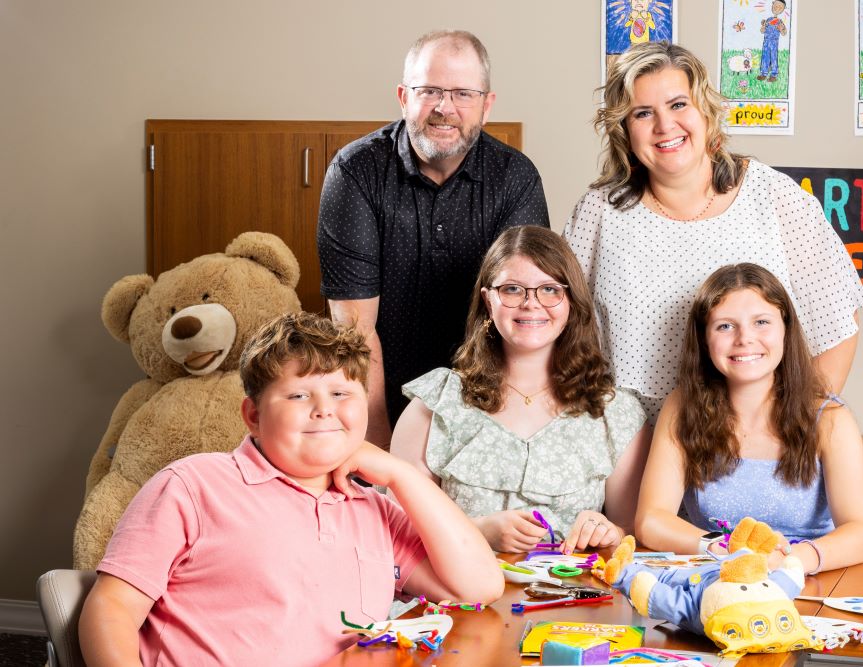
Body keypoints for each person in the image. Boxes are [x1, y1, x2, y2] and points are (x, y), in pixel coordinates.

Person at [79, 313, 503, 666]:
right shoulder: (192, 486)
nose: (324, 409)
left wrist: (401, 475)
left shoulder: (373, 508)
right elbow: (111, 610)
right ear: (253, 415)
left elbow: (480, 586)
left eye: (341, 392)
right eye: (298, 394)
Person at [564, 41, 863, 422]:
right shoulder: (599, 212)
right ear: (624, 131)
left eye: (678, 105)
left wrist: (786, 431)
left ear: (706, 112)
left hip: (752, 444)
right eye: (643, 113)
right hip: (630, 444)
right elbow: (559, 332)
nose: (664, 126)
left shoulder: (774, 196)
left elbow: (837, 326)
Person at [318, 30, 550, 451]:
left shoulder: (516, 178)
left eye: (463, 93)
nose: (445, 109)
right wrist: (379, 444)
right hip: (377, 398)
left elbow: (525, 319)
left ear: (487, 104)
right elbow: (355, 332)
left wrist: (501, 441)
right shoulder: (355, 172)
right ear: (404, 96)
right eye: (430, 92)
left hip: (489, 400)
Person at [390, 226, 650, 554]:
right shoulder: (433, 405)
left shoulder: (614, 412)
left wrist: (611, 533)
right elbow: (394, 532)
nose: (531, 304)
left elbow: (632, 535)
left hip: (579, 600)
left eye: (550, 290)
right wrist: (477, 531)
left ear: (570, 301)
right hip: (459, 601)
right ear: (488, 300)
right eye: (513, 289)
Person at [635, 264, 863, 574]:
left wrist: (789, 562)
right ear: (704, 339)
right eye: (725, 326)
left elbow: (862, 532)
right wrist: (726, 549)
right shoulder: (682, 406)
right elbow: (650, 520)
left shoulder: (830, 418)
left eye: (761, 322)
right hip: (716, 578)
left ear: (786, 329)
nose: (744, 339)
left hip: (807, 581)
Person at [757, 0, 788, 83]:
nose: (777, 8)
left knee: (774, 58)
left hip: (774, 43)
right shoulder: (768, 20)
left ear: (783, 9)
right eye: (776, 5)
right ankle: (763, 73)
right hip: (766, 42)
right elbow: (762, 31)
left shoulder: (780, 22)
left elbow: (784, 33)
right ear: (772, 4)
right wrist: (763, 26)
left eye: (780, 7)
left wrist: (781, 29)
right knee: (765, 57)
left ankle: (774, 74)